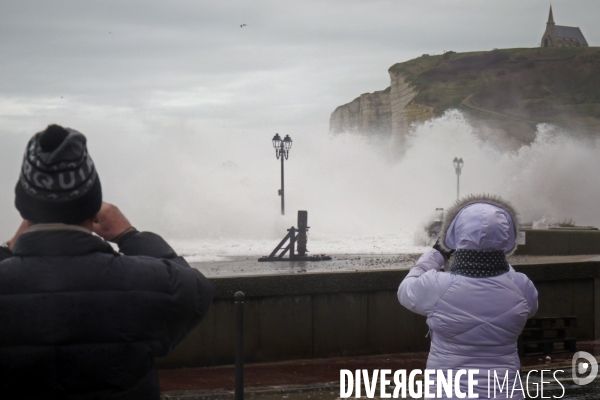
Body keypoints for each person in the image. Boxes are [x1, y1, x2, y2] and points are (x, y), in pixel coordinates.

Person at [0, 124, 214, 399]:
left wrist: (9, 250)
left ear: (24, 209)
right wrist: (129, 235)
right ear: (93, 206)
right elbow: (196, 289)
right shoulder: (147, 282)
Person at [398, 194, 538, 399]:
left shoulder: (437, 286)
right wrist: (497, 257)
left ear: (455, 234)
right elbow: (529, 307)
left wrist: (436, 253)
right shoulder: (521, 286)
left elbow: (405, 291)